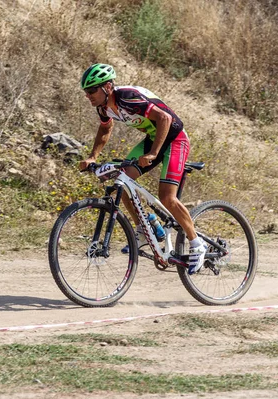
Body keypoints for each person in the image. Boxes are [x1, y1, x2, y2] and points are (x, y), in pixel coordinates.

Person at [78, 63, 207, 275]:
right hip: (152, 140)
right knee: (121, 180)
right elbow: (105, 128)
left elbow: (165, 118)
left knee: (167, 198)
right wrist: (93, 157)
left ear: (108, 87)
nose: (88, 96)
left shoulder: (127, 97)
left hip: (175, 139)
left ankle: (197, 244)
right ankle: (145, 228)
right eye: (86, 92)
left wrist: (154, 153)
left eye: (92, 90)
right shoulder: (103, 107)